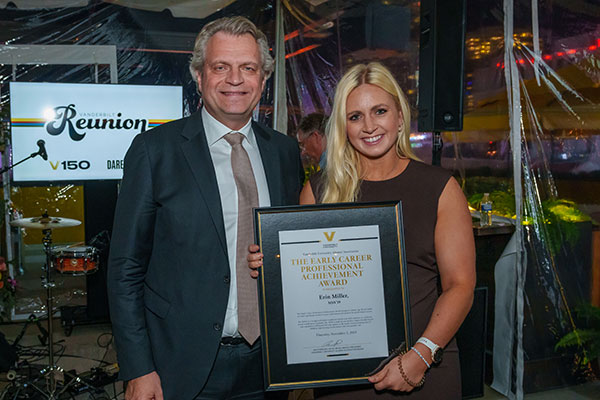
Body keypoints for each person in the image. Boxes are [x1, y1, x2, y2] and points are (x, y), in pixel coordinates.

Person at [248, 62, 475, 399]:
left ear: (399, 117)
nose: (369, 126)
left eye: (379, 111)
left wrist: (420, 355)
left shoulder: (440, 188)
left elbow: (460, 285)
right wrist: (272, 264)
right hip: (343, 374)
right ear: (343, 126)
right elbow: (302, 285)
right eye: (355, 116)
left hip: (424, 368)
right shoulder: (318, 190)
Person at [107, 16, 304, 400]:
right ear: (198, 75)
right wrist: (138, 368)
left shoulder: (283, 152)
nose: (235, 79)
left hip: (268, 363)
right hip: (181, 365)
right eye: (221, 67)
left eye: (248, 68)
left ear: (263, 80)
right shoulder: (154, 151)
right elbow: (125, 270)